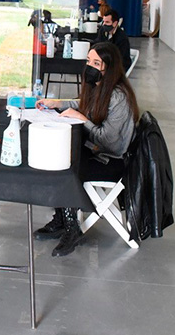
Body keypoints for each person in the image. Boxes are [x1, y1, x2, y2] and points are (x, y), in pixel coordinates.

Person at [34, 42, 139, 256]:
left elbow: (108, 141)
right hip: (100, 152)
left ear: (109, 68)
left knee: (65, 168)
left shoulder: (118, 97)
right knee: (61, 157)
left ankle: (71, 228)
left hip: (113, 161)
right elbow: (85, 108)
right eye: (88, 61)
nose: (89, 66)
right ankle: (63, 219)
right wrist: (59, 104)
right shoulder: (101, 87)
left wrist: (82, 120)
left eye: (96, 63)